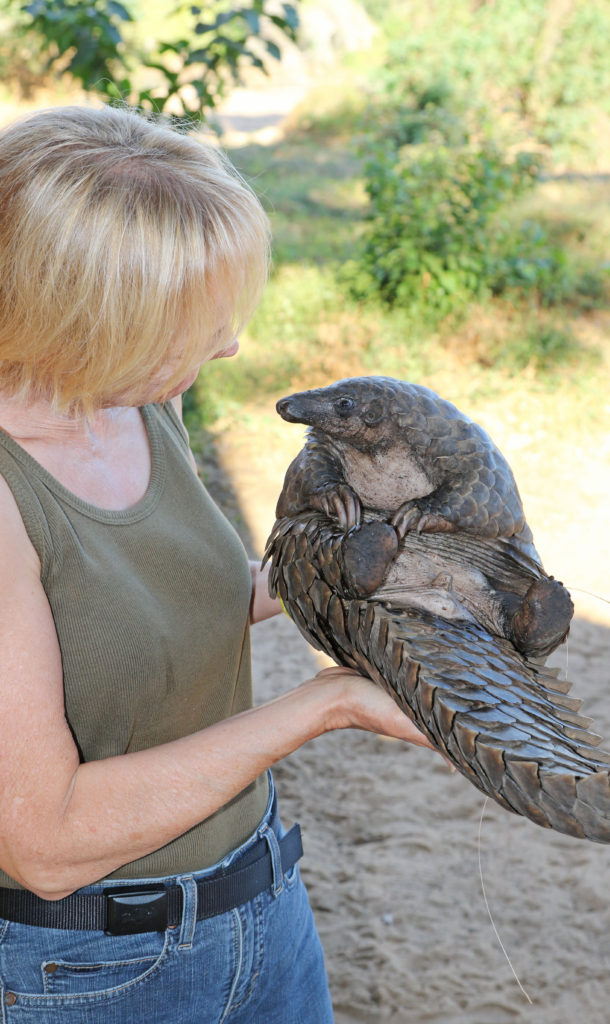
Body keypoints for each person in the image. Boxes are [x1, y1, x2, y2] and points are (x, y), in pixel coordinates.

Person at [0, 104, 432, 1023]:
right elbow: (46, 840)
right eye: (188, 321)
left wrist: (366, 564)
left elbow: (165, 605)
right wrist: (331, 703)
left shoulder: (135, 400)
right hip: (83, 968)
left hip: (261, 905)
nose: (229, 345)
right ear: (84, 314)